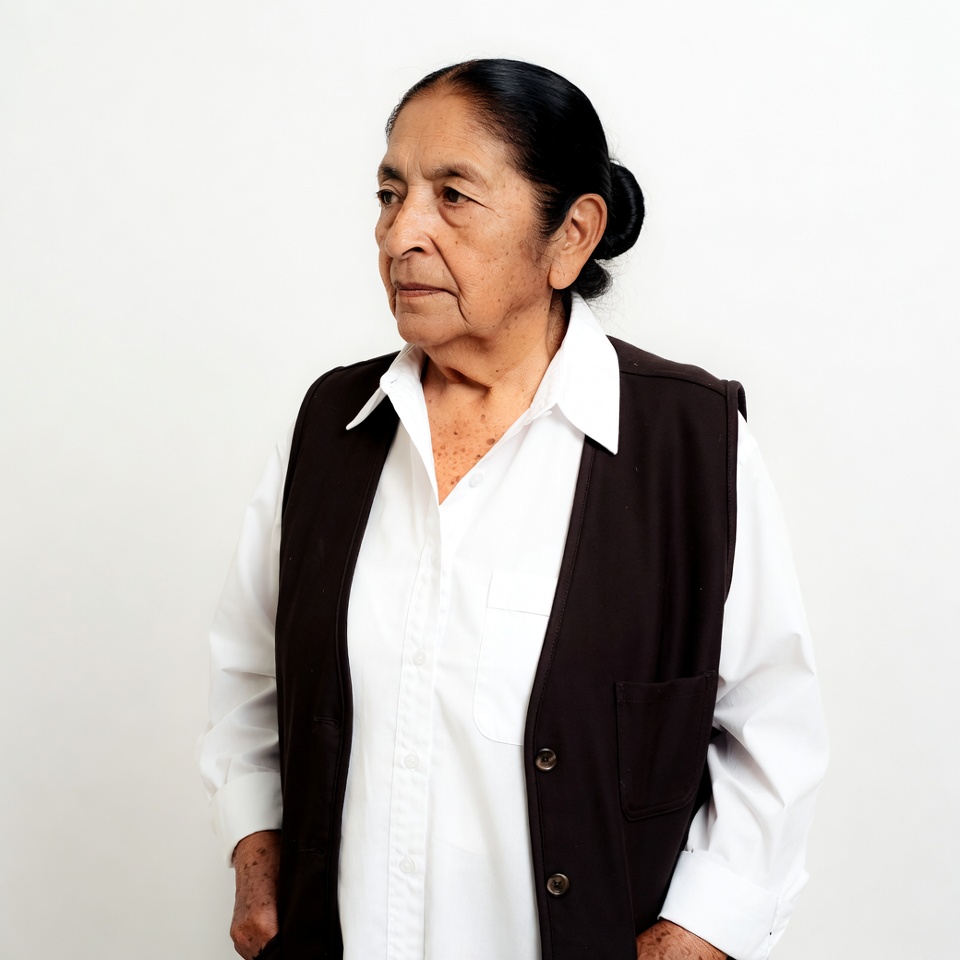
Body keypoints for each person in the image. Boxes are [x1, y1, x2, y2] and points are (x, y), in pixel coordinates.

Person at [198, 59, 827, 960]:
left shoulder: (692, 443)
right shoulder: (332, 427)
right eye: (388, 193)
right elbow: (250, 677)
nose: (399, 233)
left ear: (570, 236)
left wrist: (697, 937)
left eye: (452, 195)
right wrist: (258, 865)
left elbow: (771, 736)